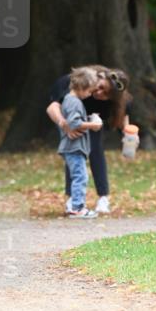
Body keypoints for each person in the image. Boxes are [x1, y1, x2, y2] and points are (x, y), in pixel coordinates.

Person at [46, 65, 130, 214]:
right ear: (100, 76)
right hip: (68, 118)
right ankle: (73, 199)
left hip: (91, 119)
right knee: (74, 153)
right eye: (100, 87)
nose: (99, 92)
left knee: (95, 149)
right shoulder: (75, 83)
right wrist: (64, 124)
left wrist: (129, 134)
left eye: (106, 94)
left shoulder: (115, 97)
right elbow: (52, 107)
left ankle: (103, 197)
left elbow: (124, 113)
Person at [57, 67, 103, 219]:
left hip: (74, 147)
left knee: (79, 176)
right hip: (73, 147)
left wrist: (89, 119)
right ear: (81, 88)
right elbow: (74, 122)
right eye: (89, 91)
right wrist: (93, 125)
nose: (90, 94)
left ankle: (76, 206)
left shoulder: (69, 100)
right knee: (80, 177)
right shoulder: (74, 102)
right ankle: (77, 208)